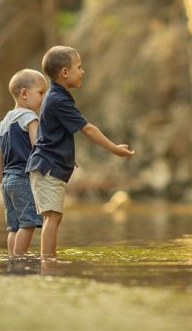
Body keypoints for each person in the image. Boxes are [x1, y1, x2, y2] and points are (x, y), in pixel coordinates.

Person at [27, 46, 134, 260]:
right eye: (79, 67)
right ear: (65, 72)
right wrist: (114, 148)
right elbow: (88, 129)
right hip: (47, 168)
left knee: (52, 217)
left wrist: (66, 156)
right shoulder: (59, 100)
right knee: (53, 218)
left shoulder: (54, 97)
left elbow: (49, 135)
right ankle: (48, 263)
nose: (83, 71)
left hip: (45, 165)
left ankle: (47, 261)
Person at [0, 68, 48, 256]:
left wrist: (2, 181)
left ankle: (12, 258)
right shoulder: (30, 118)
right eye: (41, 92)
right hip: (23, 179)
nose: (43, 98)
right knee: (29, 223)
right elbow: (37, 146)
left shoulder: (2, 123)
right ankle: (18, 260)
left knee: (13, 227)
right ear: (24, 93)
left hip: (7, 180)